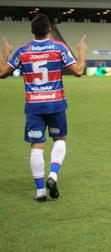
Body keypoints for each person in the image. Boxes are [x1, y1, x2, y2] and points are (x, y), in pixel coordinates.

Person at [0, 14, 87, 201]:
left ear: (32, 31)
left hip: (34, 106)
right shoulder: (59, 47)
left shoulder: (23, 50)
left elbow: (2, 73)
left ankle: (40, 192)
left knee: (36, 145)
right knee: (60, 139)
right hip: (55, 103)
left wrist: (5, 52)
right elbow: (79, 71)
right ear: (50, 29)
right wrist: (81, 51)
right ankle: (53, 175)